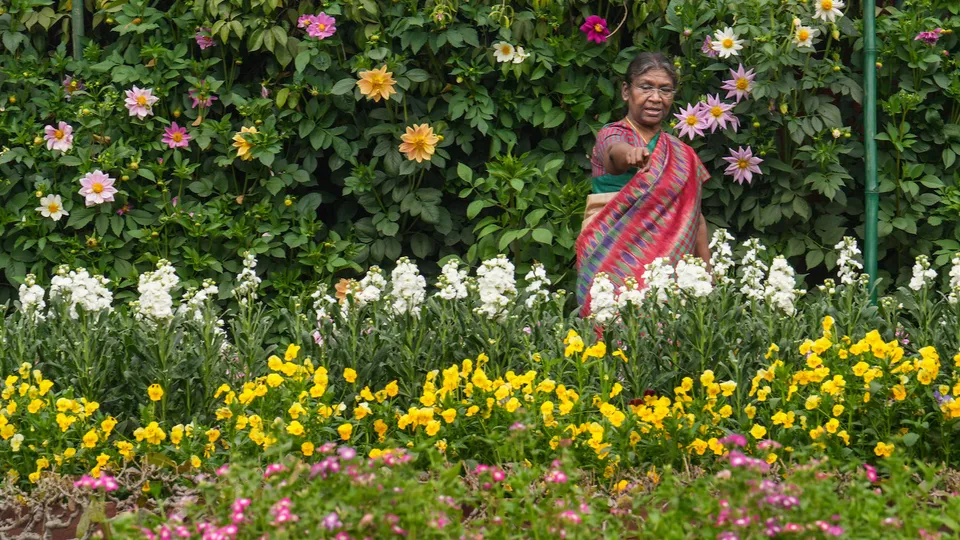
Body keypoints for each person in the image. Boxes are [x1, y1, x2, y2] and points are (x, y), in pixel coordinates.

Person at [576, 51, 712, 313]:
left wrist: (707, 276)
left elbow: (695, 217)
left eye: (665, 90)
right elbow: (615, 155)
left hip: (666, 274)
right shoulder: (611, 134)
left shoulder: (683, 154)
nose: (656, 98)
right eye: (646, 87)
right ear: (627, 91)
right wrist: (631, 155)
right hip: (610, 264)